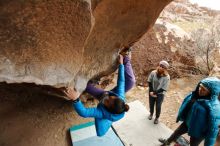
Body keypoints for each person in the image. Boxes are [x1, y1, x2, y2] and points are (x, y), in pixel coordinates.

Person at [64, 47, 135, 137]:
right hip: (110, 94)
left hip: (104, 105)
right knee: (131, 82)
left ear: (107, 108)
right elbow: (121, 81)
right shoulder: (119, 97)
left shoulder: (101, 113)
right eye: (110, 98)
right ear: (117, 97)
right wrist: (121, 65)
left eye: (107, 102)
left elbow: (84, 112)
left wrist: (75, 99)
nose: (107, 99)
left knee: (100, 133)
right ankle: (127, 59)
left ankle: (106, 122)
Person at [159, 77, 220, 146]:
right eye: (200, 87)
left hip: (198, 132)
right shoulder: (194, 95)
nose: (200, 90)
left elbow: (213, 130)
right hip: (187, 123)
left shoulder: (214, 107)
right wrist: (181, 116)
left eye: (204, 90)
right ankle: (166, 143)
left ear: (211, 92)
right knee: (176, 133)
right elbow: (186, 107)